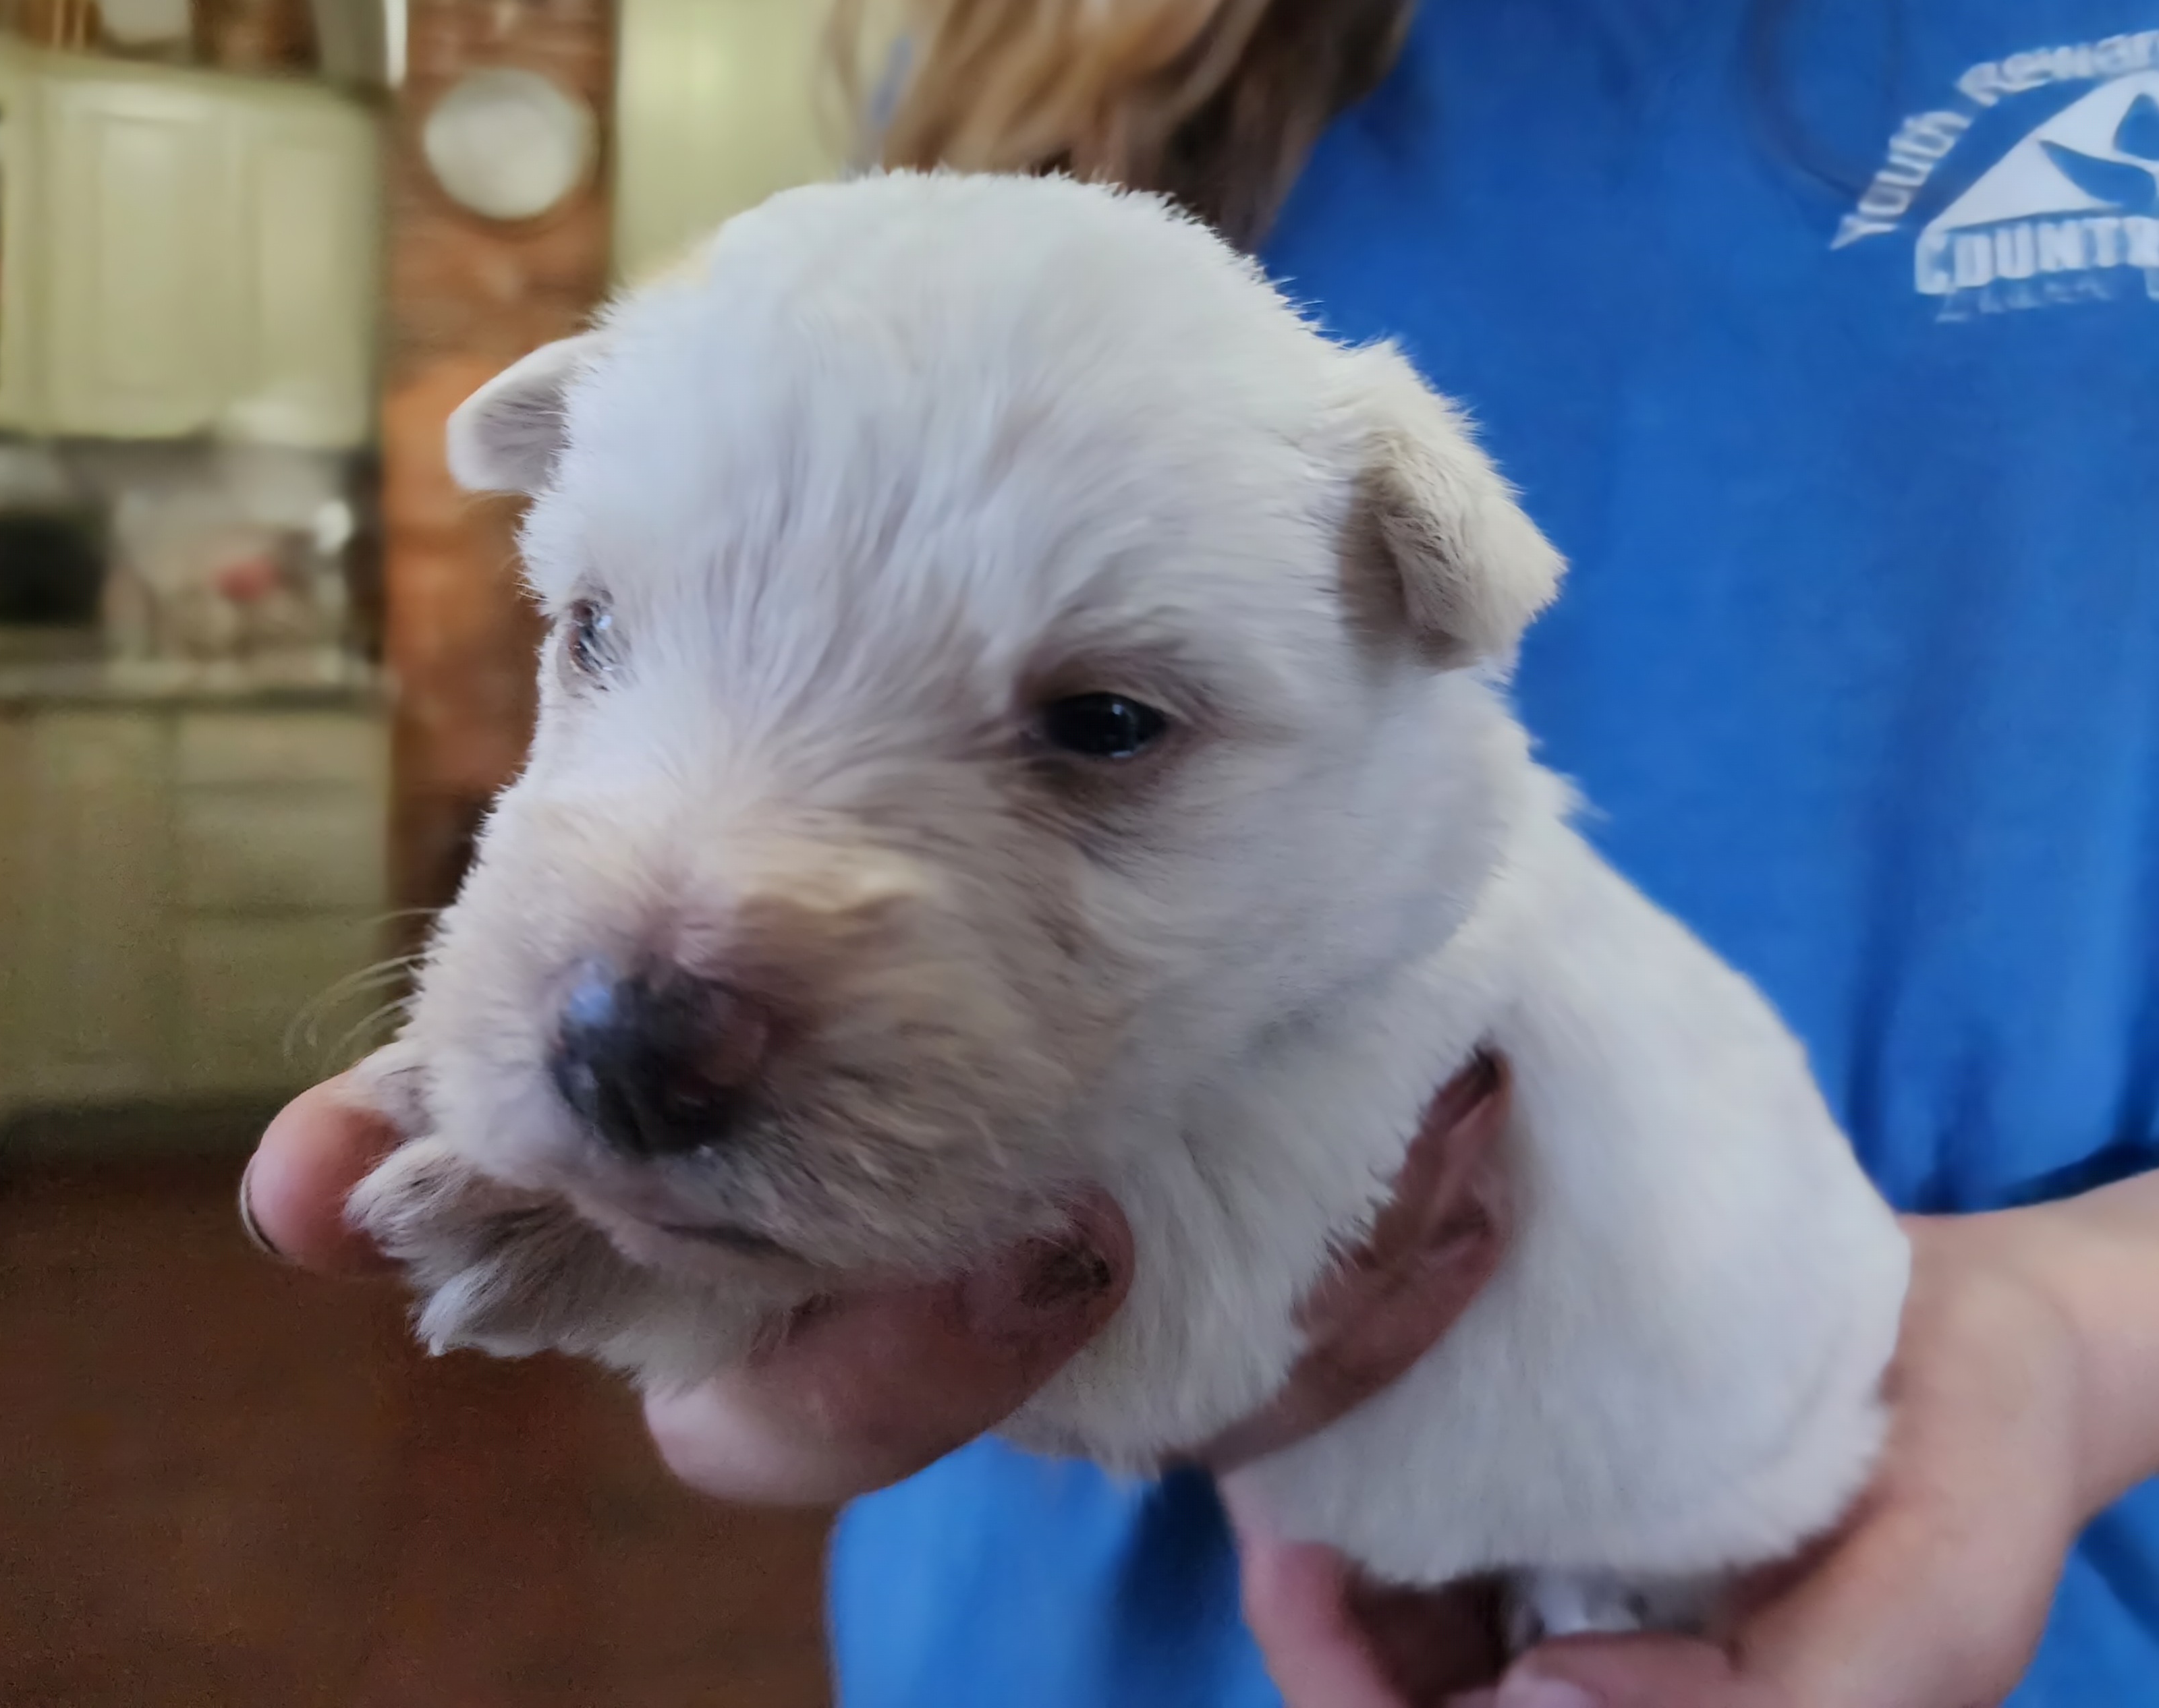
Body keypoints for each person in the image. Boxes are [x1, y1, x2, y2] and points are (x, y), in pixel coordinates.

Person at [242, 0, 2159, 1701]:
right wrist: (748, 1306)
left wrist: (2073, 1333)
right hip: (1038, 1621)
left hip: (1948, 1551)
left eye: (1093, 730)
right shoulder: (1033, 63)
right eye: (597, 634)